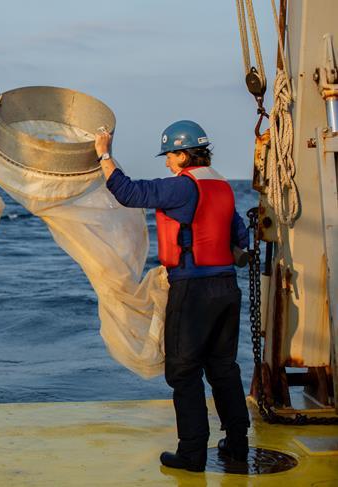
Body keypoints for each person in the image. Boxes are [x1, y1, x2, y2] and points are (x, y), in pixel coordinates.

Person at [94, 120, 251, 472]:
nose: (167, 163)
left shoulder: (182, 188)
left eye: (169, 156)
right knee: (224, 368)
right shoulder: (224, 186)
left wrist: (104, 154)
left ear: (183, 153)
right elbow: (241, 237)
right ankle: (237, 444)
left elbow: (128, 192)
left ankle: (192, 454)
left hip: (194, 290)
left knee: (183, 372)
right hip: (227, 288)